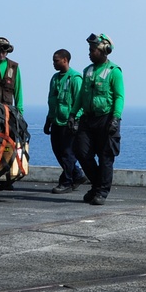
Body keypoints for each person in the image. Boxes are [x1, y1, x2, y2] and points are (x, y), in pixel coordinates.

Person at [71, 33, 124, 206]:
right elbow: (81, 96)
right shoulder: (87, 71)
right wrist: (73, 114)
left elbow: (119, 97)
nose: (89, 53)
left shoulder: (114, 72)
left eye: (92, 50)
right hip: (88, 118)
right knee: (81, 151)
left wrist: (115, 119)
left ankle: (101, 191)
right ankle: (96, 185)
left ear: (103, 51)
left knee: (105, 157)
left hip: (106, 119)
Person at [45, 49, 86, 194]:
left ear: (65, 60)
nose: (53, 63)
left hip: (69, 123)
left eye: (56, 60)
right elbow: (52, 101)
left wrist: (74, 119)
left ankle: (67, 181)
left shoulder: (75, 78)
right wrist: (48, 120)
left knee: (67, 153)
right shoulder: (55, 78)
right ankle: (78, 174)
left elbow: (81, 102)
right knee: (57, 151)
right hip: (56, 121)